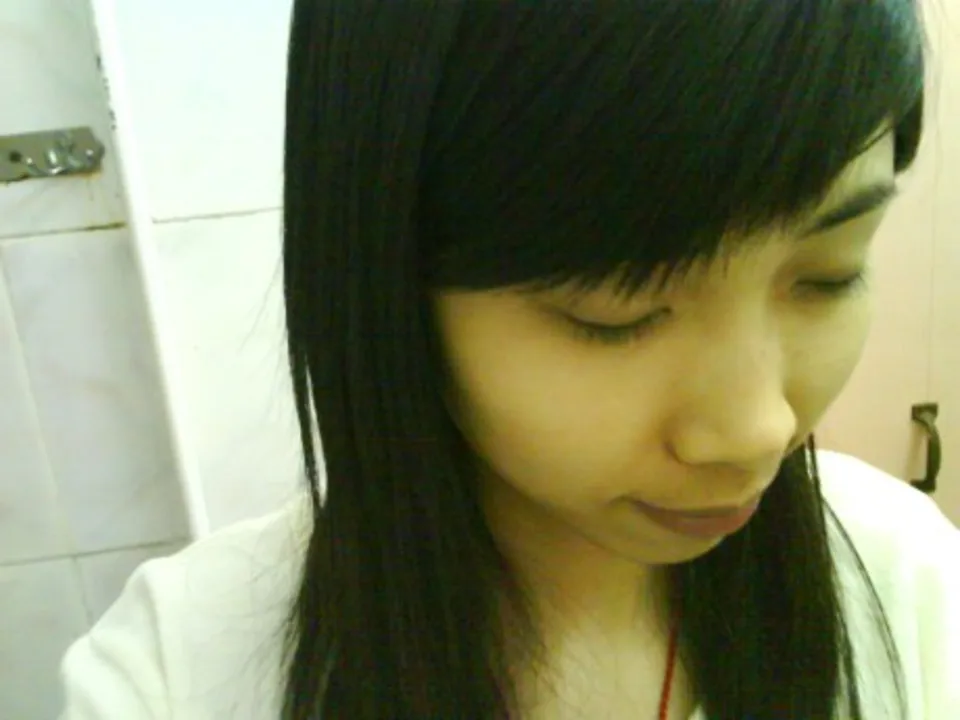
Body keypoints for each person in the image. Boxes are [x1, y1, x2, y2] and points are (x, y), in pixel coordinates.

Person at [59, 0, 960, 718]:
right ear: (390, 282)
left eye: (829, 275)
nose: (756, 429)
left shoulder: (908, 585)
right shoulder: (176, 677)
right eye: (614, 316)